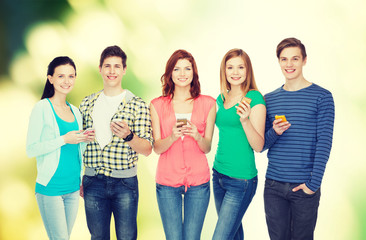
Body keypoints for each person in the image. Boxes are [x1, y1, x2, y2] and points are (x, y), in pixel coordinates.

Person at [262, 37, 335, 240]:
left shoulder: (322, 97)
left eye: (295, 58)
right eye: (284, 59)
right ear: (278, 62)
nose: (289, 64)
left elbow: (324, 142)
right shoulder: (270, 99)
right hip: (274, 186)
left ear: (304, 60)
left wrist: (313, 184)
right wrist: (274, 132)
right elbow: (262, 146)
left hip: (304, 186)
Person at [79, 45, 153, 240]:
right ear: (100, 69)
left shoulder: (137, 105)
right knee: (97, 237)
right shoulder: (86, 104)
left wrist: (129, 136)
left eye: (117, 66)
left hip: (125, 184)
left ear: (124, 70)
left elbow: (147, 149)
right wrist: (80, 176)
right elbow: (80, 145)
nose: (112, 71)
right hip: (93, 181)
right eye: (107, 66)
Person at [150, 49, 216, 240]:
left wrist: (197, 135)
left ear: (194, 73)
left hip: (198, 182)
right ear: (170, 73)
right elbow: (156, 148)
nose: (182, 74)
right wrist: (171, 137)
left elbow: (207, 147)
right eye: (177, 69)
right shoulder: (157, 105)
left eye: (187, 69)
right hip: (167, 182)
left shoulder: (208, 104)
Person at [26, 56, 93, 239]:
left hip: (72, 188)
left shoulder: (76, 111)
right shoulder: (42, 108)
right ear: (51, 78)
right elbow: (31, 149)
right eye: (61, 76)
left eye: (71, 76)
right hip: (51, 189)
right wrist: (63, 139)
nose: (66, 81)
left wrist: (85, 139)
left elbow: (76, 151)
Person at [212, 49, 266, 240]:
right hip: (218, 174)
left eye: (240, 67)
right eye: (230, 67)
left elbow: (259, 145)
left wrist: (245, 120)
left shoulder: (254, 98)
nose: (235, 72)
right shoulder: (221, 98)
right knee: (233, 235)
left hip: (241, 180)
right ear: (224, 71)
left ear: (247, 70)